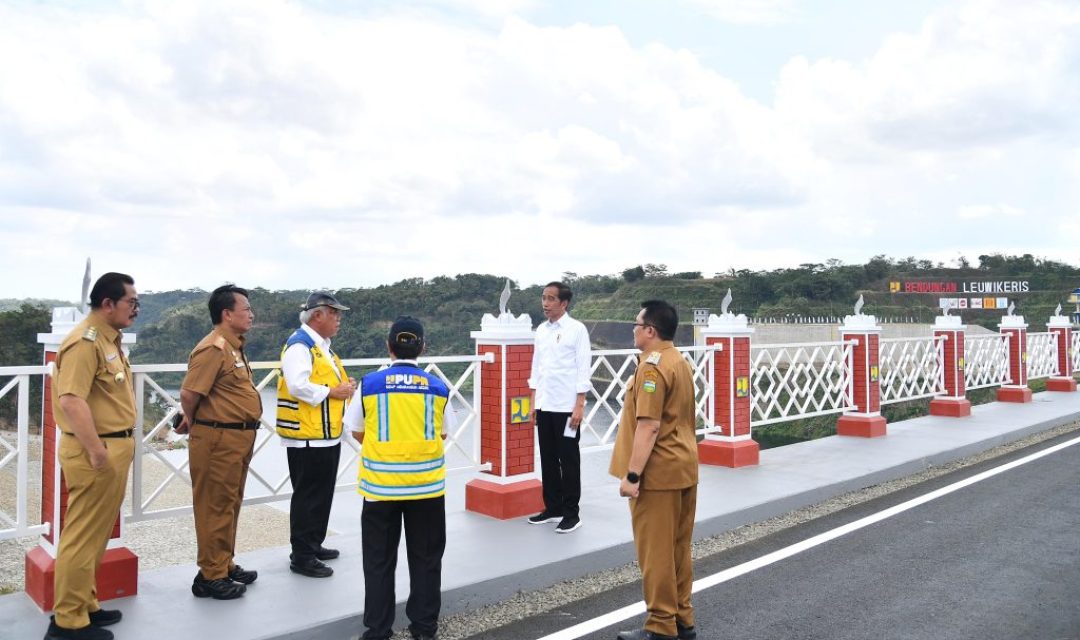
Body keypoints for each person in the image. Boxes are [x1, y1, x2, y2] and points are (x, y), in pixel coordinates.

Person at [344, 316, 455, 640]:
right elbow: (444, 432)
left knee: (378, 562)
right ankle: (423, 630)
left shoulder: (369, 384)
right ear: (422, 347)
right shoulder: (438, 387)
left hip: (380, 488)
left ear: (388, 346)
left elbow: (357, 430)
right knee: (426, 561)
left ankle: (378, 631)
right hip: (427, 488)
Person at [46, 273, 139, 640]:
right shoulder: (85, 343)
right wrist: (97, 452)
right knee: (81, 536)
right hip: (96, 450)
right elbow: (70, 400)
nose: (135, 308)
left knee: (96, 534)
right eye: (131, 302)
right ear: (107, 304)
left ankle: (85, 604)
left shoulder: (107, 340)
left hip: (112, 446)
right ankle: (67, 622)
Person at [609, 300, 699, 640]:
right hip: (684, 467)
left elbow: (648, 426)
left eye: (637, 324)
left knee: (656, 553)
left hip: (658, 474)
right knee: (678, 548)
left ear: (650, 331)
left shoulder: (651, 368)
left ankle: (661, 626)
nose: (633, 329)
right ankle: (682, 620)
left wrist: (632, 476)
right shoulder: (679, 360)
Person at [175, 285, 262, 600]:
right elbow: (189, 394)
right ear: (227, 314)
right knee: (215, 506)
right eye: (246, 309)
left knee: (229, 504)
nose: (251, 314)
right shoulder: (213, 348)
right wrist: (193, 420)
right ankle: (210, 576)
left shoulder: (233, 347)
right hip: (218, 438)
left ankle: (223, 564)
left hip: (236, 438)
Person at [276, 291, 356, 578]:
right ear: (317, 314)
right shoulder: (301, 345)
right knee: (308, 495)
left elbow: (324, 382)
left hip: (326, 434)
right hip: (307, 436)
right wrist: (333, 392)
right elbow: (298, 385)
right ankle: (302, 555)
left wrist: (343, 388)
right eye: (334, 313)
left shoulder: (323, 347)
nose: (339, 319)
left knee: (322, 494)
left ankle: (313, 544)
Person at [526, 281, 592, 534]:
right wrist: (534, 402)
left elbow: (583, 368)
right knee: (548, 458)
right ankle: (552, 508)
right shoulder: (541, 330)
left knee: (569, 459)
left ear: (564, 303)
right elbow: (536, 368)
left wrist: (579, 405)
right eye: (544, 297)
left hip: (567, 407)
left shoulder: (577, 330)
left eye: (551, 298)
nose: (545, 303)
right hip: (545, 404)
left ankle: (571, 514)